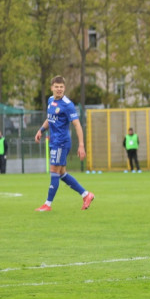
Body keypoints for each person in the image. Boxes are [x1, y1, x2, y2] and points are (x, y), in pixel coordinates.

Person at [33, 75, 94, 212]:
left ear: (64, 88)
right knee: (61, 174)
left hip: (61, 142)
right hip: (54, 141)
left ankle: (47, 204)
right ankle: (86, 194)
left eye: (61, 87)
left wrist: (81, 145)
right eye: (56, 87)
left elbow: (77, 125)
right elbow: (50, 119)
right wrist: (41, 130)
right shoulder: (50, 100)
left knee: (54, 171)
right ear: (52, 88)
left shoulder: (67, 105)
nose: (59, 89)